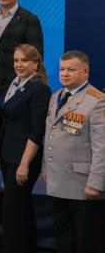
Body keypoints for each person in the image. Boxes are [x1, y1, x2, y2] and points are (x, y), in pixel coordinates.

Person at [43, 50, 105, 253]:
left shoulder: (97, 101)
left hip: (83, 185)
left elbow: (102, 147)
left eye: (71, 69)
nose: (64, 73)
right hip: (58, 181)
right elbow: (50, 135)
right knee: (63, 238)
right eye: (62, 69)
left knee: (86, 242)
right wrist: (45, 168)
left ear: (85, 72)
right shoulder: (56, 96)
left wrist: (96, 183)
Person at [0, 44, 50, 253]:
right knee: (21, 210)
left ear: (35, 63)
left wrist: (24, 164)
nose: (19, 65)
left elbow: (37, 130)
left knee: (13, 212)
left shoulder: (39, 88)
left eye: (24, 60)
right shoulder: (15, 83)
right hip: (8, 156)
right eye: (16, 60)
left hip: (23, 159)